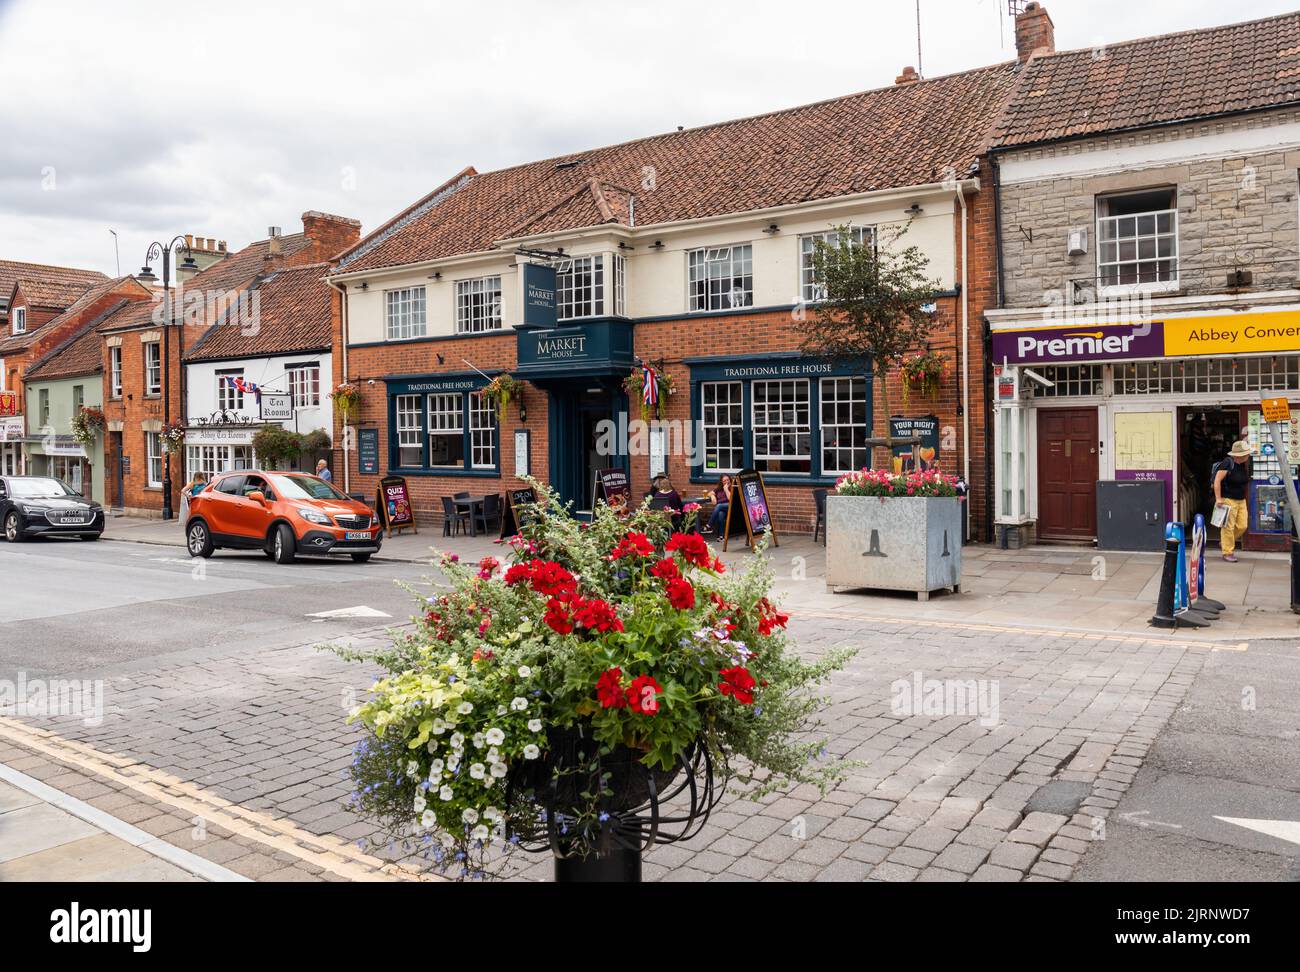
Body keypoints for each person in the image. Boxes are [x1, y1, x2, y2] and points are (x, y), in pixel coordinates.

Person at [1213, 440, 1252, 562]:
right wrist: (1218, 498)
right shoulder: (1227, 463)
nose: (1248, 455)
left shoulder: (1243, 464)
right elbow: (1217, 481)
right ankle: (1227, 552)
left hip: (1241, 500)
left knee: (1242, 526)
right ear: (1239, 455)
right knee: (1228, 527)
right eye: (1246, 453)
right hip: (1228, 499)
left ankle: (1225, 542)